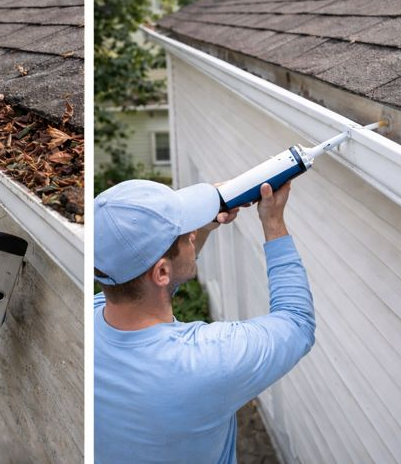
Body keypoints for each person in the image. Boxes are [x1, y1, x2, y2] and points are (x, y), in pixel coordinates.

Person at [93, 179, 315, 464]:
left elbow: (154, 286)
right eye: (186, 235)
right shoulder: (208, 360)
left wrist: (206, 225)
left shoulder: (95, 316)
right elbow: (297, 323)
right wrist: (273, 222)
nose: (193, 235)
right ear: (161, 272)